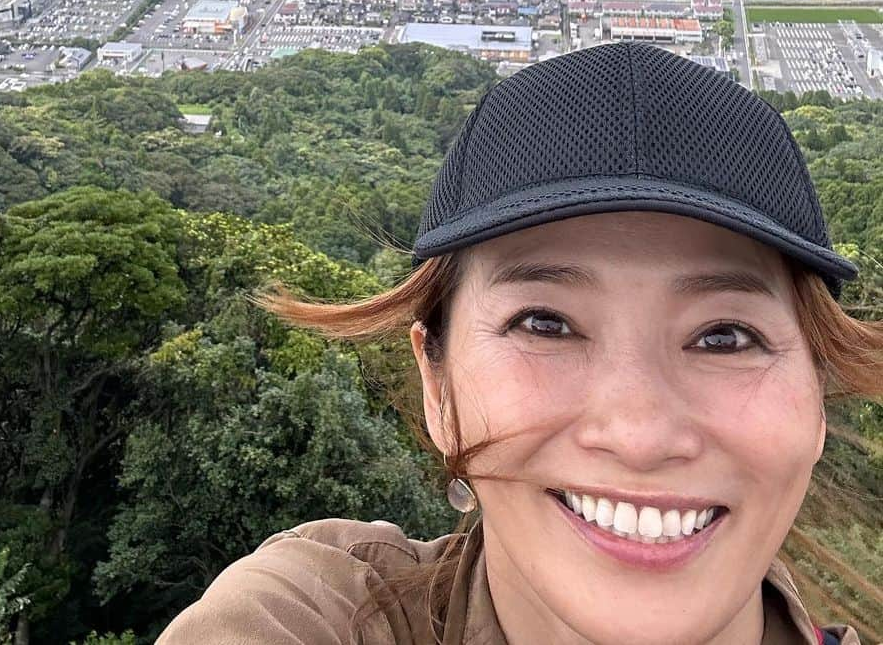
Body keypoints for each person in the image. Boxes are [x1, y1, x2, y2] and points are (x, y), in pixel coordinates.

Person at [156, 41, 882, 645]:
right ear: (436, 387)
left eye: (725, 337)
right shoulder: (324, 615)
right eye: (545, 324)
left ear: (816, 397)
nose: (638, 434)